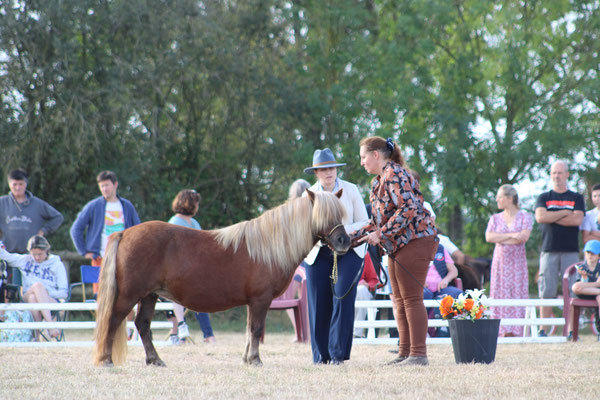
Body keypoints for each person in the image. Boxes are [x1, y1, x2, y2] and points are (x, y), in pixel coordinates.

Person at [352, 136, 437, 367]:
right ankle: (405, 353)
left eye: (363, 157)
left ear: (376, 155)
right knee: (398, 299)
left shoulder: (395, 174)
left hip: (416, 240)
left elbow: (409, 208)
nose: (362, 162)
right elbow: (377, 220)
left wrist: (380, 235)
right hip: (398, 244)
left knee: (410, 299)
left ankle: (418, 355)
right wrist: (352, 237)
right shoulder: (378, 181)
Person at [302, 148, 369, 364]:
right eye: (323, 169)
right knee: (319, 302)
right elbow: (303, 228)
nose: (328, 172)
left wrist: (340, 232)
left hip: (348, 250)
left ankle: (338, 354)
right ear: (316, 173)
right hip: (318, 252)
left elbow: (365, 221)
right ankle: (321, 356)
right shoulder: (308, 195)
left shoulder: (351, 190)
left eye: (331, 167)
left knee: (341, 295)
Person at [535, 160, 585, 336]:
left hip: (571, 251)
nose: (556, 176)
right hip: (548, 250)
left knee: (572, 290)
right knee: (546, 289)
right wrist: (565, 212)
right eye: (554, 173)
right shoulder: (544, 197)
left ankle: (571, 329)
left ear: (567, 174)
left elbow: (577, 220)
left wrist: (552, 216)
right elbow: (541, 217)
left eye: (560, 173)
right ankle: (543, 330)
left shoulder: (576, 198)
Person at [70, 170, 141, 294]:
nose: (104, 189)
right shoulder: (93, 206)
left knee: (124, 294)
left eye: (107, 185)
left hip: (124, 258)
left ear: (115, 184)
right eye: (101, 186)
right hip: (100, 258)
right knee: (101, 295)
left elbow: (139, 230)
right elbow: (75, 229)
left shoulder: (126, 206)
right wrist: (84, 251)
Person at [167, 189, 216, 345]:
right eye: (196, 203)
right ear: (188, 203)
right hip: (175, 270)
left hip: (193, 270)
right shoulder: (174, 222)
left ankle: (207, 334)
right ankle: (181, 325)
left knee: (201, 293)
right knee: (179, 289)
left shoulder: (194, 223)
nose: (197, 206)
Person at [485, 184, 533, 337]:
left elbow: (523, 237)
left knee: (517, 292)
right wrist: (512, 235)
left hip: (517, 263)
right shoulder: (495, 218)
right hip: (500, 264)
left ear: (510, 198)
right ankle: (501, 330)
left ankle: (517, 330)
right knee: (500, 292)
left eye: (500, 197)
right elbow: (489, 237)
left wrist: (503, 238)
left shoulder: (525, 216)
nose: (497, 200)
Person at [0, 235, 68, 340]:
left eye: (40, 254)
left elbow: (63, 292)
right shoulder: (25, 260)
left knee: (34, 297)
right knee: (37, 286)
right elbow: (6, 255)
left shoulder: (57, 264)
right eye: (33, 254)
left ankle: (35, 337)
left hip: (51, 300)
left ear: (47, 250)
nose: (36, 257)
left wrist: (44, 294)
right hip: (27, 296)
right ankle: (50, 325)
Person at [0, 169, 63, 254]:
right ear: (9, 184)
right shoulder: (2, 202)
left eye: (21, 184)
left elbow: (58, 217)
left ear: (26, 184)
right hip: (6, 254)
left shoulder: (37, 204)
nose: (18, 188)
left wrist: (44, 230)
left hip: (30, 255)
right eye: (14, 184)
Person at [567, 239, 600, 341]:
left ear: (598, 255)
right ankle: (571, 333)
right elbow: (578, 287)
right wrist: (585, 278)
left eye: (593, 254)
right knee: (575, 288)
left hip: (595, 293)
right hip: (585, 292)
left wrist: (586, 284)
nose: (590, 256)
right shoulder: (581, 267)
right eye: (588, 253)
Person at [353, 253, 379, 338]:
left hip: (359, 291)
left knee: (361, 290)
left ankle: (356, 334)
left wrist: (366, 285)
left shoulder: (364, 254)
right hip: (341, 289)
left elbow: (373, 280)